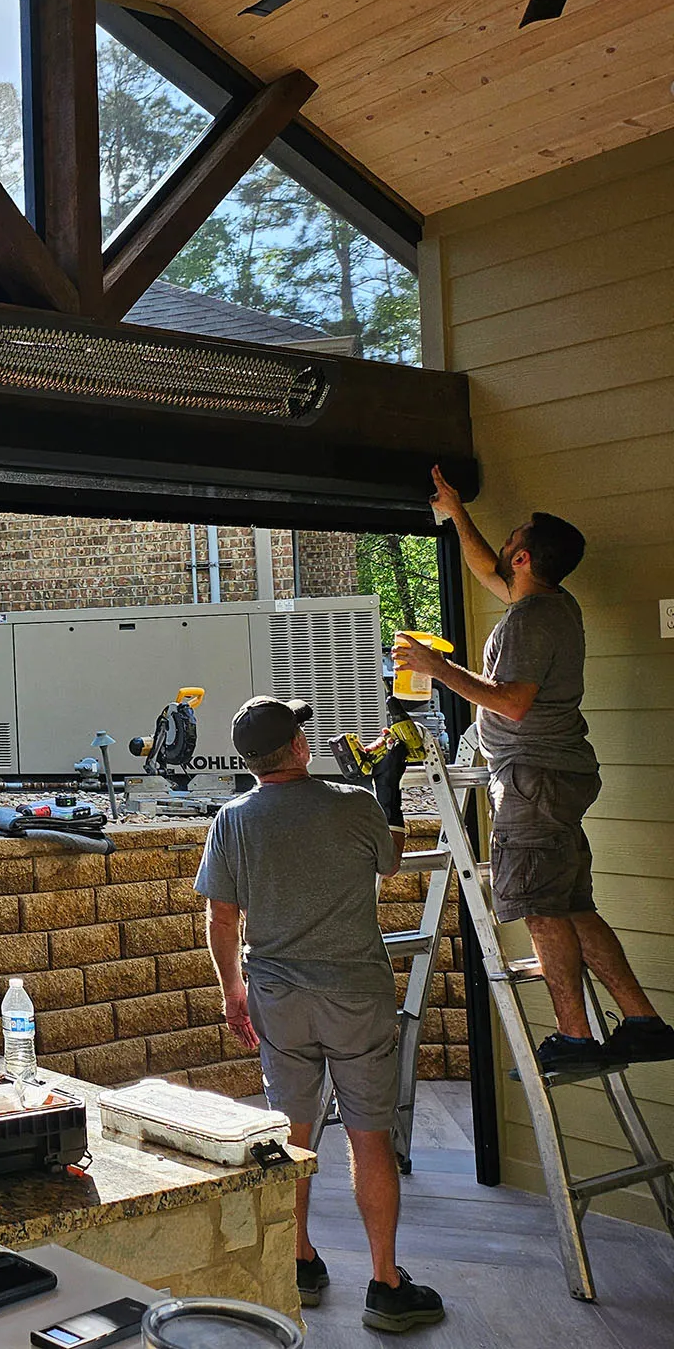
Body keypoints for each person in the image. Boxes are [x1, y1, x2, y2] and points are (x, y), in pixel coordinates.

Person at [394, 468, 673, 1075]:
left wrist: (434, 668)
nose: (501, 551)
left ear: (522, 557)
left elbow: (513, 702)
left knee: (543, 909)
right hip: (557, 774)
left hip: (532, 777)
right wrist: (456, 512)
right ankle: (644, 1023)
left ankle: (574, 1039)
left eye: (510, 542)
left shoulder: (526, 622)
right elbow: (487, 569)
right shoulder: (553, 603)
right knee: (572, 904)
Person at [197, 695, 445, 1333]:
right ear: (301, 749)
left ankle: (301, 1261)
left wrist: (232, 991)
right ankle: (386, 1285)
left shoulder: (231, 820)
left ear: (248, 760)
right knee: (370, 1137)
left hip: (277, 997)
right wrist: (381, 790)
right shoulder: (352, 805)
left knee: (292, 1134)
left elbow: (222, 918)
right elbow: (390, 861)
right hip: (356, 995)